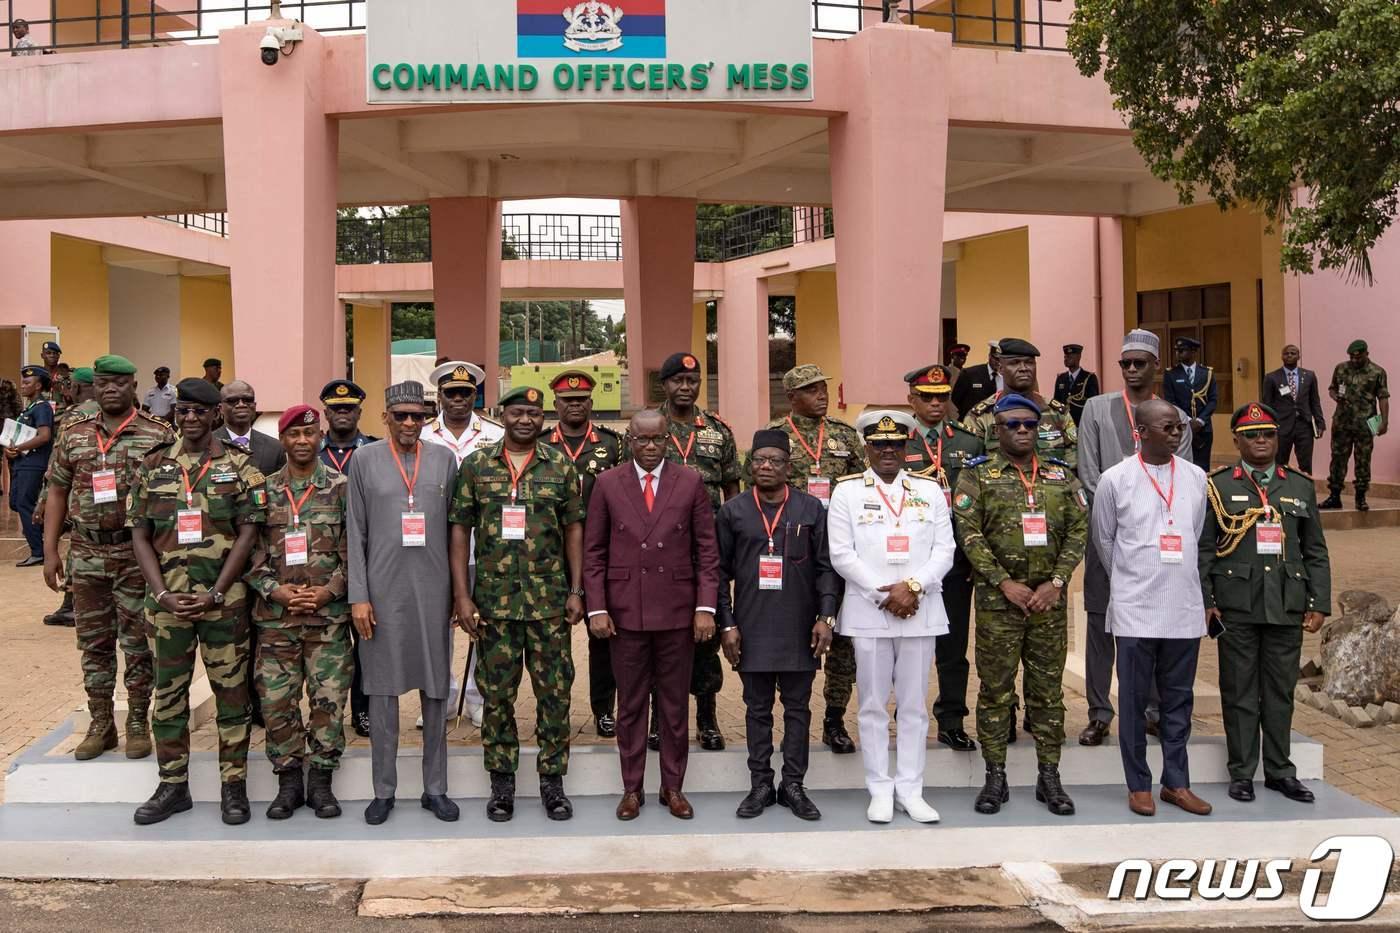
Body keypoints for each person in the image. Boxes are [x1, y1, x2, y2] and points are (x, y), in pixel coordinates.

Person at [127, 378, 266, 826]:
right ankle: (172, 786)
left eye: (199, 412)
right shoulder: (152, 466)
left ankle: (233, 787)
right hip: (167, 609)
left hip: (223, 606)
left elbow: (249, 532)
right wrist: (163, 592)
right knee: (167, 696)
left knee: (232, 697)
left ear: (215, 415)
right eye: (183, 410)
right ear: (175, 414)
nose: (190, 418)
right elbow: (140, 534)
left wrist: (216, 592)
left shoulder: (242, 468)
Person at [450, 386, 586, 822]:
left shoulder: (560, 465)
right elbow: (459, 531)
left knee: (554, 695)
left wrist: (576, 590)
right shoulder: (476, 466)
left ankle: (552, 783)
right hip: (494, 605)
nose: (525, 420)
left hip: (548, 603)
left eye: (533, 412)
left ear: (542, 418)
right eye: (517, 412)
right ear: (501, 415)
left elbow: (574, 531)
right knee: (496, 697)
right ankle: (502, 784)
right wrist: (462, 595)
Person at [953, 395, 1087, 816]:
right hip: (999, 604)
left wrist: (1057, 582)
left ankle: (1050, 776)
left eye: (1029, 424)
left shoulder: (1061, 476)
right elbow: (969, 534)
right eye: (1013, 425)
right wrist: (1003, 582)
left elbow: (1079, 530)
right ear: (998, 428)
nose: (1023, 431)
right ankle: (995, 776)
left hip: (1048, 603)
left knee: (1047, 693)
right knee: (996, 690)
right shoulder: (978, 477)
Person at [584, 409, 720, 822]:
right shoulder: (607, 483)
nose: (649, 447)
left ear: (668, 440)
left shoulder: (690, 481)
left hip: (678, 611)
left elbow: (707, 550)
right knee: (630, 706)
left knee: (675, 705)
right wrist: (598, 607)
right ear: (629, 440)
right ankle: (631, 788)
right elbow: (594, 552)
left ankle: (672, 787)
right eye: (641, 439)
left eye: (656, 439)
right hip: (625, 614)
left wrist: (705, 607)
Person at [827, 410, 955, 825]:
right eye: (880, 444)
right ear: (867, 447)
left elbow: (944, 550)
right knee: (872, 704)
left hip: (919, 610)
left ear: (906, 448)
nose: (888, 451)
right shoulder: (845, 492)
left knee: (915, 705)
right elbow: (842, 553)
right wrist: (886, 594)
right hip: (870, 612)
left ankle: (911, 789)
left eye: (896, 445)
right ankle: (879, 788)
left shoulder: (930, 490)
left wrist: (912, 587)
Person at [42, 355, 172, 760]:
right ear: (93, 386)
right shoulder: (73, 433)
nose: (110, 389)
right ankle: (101, 723)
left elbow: (171, 499)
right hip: (85, 551)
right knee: (94, 642)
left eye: (118, 382)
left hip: (136, 553)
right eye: (102, 383)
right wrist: (50, 551)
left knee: (137, 642)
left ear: (134, 385)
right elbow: (59, 491)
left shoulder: (158, 435)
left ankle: (136, 720)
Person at [1202, 403, 1331, 805]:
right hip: (1236, 604)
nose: (1262, 440)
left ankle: (1279, 771)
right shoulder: (1218, 485)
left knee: (1279, 691)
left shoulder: (1299, 485)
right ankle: (1241, 772)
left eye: (1269, 434)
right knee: (1239, 690)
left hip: (1287, 604)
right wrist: (1206, 600)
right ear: (1237, 440)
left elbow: (1316, 551)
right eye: (1253, 434)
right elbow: (1206, 548)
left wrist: (1319, 602)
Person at [346, 381, 459, 826]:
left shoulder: (445, 460)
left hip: (434, 593)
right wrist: (358, 596)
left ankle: (436, 788)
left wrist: (459, 593)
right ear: (385, 418)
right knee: (382, 693)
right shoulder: (364, 460)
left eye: (418, 415)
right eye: (401, 415)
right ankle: (384, 790)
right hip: (381, 593)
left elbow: (457, 531)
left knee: (436, 691)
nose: (410, 423)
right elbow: (355, 532)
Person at [1074, 329, 1193, 747]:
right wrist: (1117, 533)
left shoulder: (1175, 414)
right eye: (1125, 363)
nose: (1131, 369)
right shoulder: (1096, 408)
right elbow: (1088, 474)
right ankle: (1099, 713)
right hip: (1106, 538)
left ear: (1155, 365)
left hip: (1158, 544)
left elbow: (1183, 478)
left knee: (1156, 625)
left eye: (1140, 362)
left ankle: (1152, 710)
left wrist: (1149, 529)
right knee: (1099, 625)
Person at [1091, 399, 1210, 818]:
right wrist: (1136, 576)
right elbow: (1105, 543)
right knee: (1135, 702)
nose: (1176, 433)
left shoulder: (1196, 478)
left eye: (1178, 427)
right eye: (1167, 427)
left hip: (1183, 609)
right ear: (1139, 431)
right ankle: (1138, 784)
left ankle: (1176, 783)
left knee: (1178, 702)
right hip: (1135, 609)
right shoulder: (1115, 480)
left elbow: (1194, 536)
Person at [718, 430, 836, 822]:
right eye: (759, 460)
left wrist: (825, 617)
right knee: (757, 709)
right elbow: (718, 574)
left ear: (790, 467)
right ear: (749, 466)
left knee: (799, 708)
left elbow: (826, 569)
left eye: (774, 460)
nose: (765, 466)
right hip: (750, 627)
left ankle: (794, 785)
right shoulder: (733, 511)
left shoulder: (810, 509)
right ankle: (761, 784)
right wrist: (727, 624)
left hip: (800, 628)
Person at [244, 405, 353, 821]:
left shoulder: (343, 488)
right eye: (294, 435)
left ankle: (322, 781)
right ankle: (288, 780)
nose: (303, 441)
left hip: (328, 619)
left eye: (309, 433)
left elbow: (356, 550)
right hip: (276, 620)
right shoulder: (263, 491)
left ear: (320, 436)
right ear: (283, 440)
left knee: (328, 701)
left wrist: (330, 592)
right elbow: (250, 552)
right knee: (277, 702)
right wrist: (276, 592)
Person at [764, 363, 865, 755]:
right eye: (811, 389)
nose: (822, 395)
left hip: (840, 550)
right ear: (792, 397)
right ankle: (793, 719)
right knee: (792, 635)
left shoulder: (844, 435)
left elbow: (861, 487)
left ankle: (835, 719)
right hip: (793, 553)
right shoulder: (776, 436)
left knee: (842, 640)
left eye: (823, 387)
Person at [656, 351, 738, 752]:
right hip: (657, 551)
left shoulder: (718, 431)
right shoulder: (649, 428)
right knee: (658, 632)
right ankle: (659, 720)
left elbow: (733, 490)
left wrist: (733, 543)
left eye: (693, 381)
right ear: (665, 385)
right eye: (678, 382)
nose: (686, 388)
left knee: (706, 635)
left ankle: (706, 717)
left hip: (707, 549)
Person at [902, 363, 984, 750]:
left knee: (952, 649)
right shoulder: (897, 442)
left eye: (942, 398)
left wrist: (972, 559)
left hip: (954, 564)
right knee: (908, 649)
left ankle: (952, 720)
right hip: (908, 563)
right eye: (927, 398)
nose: (936, 404)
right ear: (911, 400)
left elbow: (977, 506)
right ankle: (907, 719)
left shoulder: (967, 442)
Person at [541, 369, 624, 738]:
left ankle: (603, 709)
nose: (574, 405)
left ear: (591, 403)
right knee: (551, 638)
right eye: (566, 400)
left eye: (581, 400)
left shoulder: (613, 444)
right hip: (550, 554)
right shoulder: (542, 444)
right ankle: (555, 711)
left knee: (602, 634)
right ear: (555, 404)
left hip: (601, 553)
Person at [421, 360, 503, 730]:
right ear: (440, 395)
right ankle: (443, 695)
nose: (458, 400)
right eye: (451, 393)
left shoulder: (494, 433)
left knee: (481, 624)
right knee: (437, 626)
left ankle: (476, 696)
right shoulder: (423, 435)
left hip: (481, 547)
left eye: (465, 393)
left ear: (475, 395)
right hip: (433, 548)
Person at [318, 378, 379, 737]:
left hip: (365, 557)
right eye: (336, 409)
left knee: (364, 642)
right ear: (325, 412)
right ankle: (326, 716)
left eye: (349, 409)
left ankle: (362, 710)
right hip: (322, 561)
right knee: (327, 644)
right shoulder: (311, 449)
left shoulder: (373, 450)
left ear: (359, 411)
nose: (342, 414)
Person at [37, 366, 98, 627]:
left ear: (75, 388)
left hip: (76, 492)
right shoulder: (109, 411)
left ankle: (72, 605)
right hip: (103, 493)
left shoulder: (74, 416)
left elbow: (57, 464)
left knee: (78, 544)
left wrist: (43, 500)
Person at [963, 338, 1078, 471]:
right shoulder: (980, 417)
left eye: (1029, 363)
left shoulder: (1057, 413)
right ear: (1000, 368)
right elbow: (969, 469)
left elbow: (1073, 466)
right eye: (1015, 363)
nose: (1023, 369)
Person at [1322, 340, 1389, 512]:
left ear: (1367, 354)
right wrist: (1335, 396)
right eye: (1351, 357)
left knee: (1363, 460)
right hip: (1342, 422)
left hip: (1365, 423)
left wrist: (1384, 421)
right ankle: (1334, 496)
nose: (1354, 360)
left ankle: (1361, 497)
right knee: (1338, 458)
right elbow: (1332, 388)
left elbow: (1383, 397)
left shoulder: (1377, 372)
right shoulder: (1341, 368)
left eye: (1358, 357)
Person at [7, 365, 55, 567]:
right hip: (22, 463)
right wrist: (10, 450)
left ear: (38, 386)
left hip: (33, 463)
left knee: (25, 504)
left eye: (27, 382)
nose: (22, 385)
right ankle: (42, 538)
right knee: (16, 503)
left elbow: (44, 436)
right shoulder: (29, 408)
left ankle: (38, 551)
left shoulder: (42, 407)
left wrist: (18, 448)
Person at [1163, 336, 1218, 471]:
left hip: (1203, 428)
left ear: (1193, 351)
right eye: (1177, 350)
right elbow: (1170, 401)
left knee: (1203, 466)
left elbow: (1213, 399)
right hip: (1181, 427)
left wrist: (1200, 421)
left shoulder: (1207, 373)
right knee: (1182, 465)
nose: (1178, 353)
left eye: (1182, 350)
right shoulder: (1171, 374)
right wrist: (1187, 421)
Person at [215, 380, 286, 476]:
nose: (241, 404)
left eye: (247, 400)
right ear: (220, 409)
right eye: (232, 401)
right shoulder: (207, 445)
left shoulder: (275, 448)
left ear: (255, 406)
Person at [1053, 343, 1100, 426]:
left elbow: (1094, 404)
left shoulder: (1089, 378)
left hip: (1082, 423)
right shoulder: (1061, 378)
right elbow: (1056, 401)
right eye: (1065, 357)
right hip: (1065, 424)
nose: (1066, 359)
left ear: (1078, 357)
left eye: (1070, 357)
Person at [951, 343, 999, 418]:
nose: (998, 362)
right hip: (971, 422)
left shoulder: (1005, 376)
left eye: (1001, 359)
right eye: (996, 358)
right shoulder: (970, 374)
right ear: (989, 356)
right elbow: (956, 399)